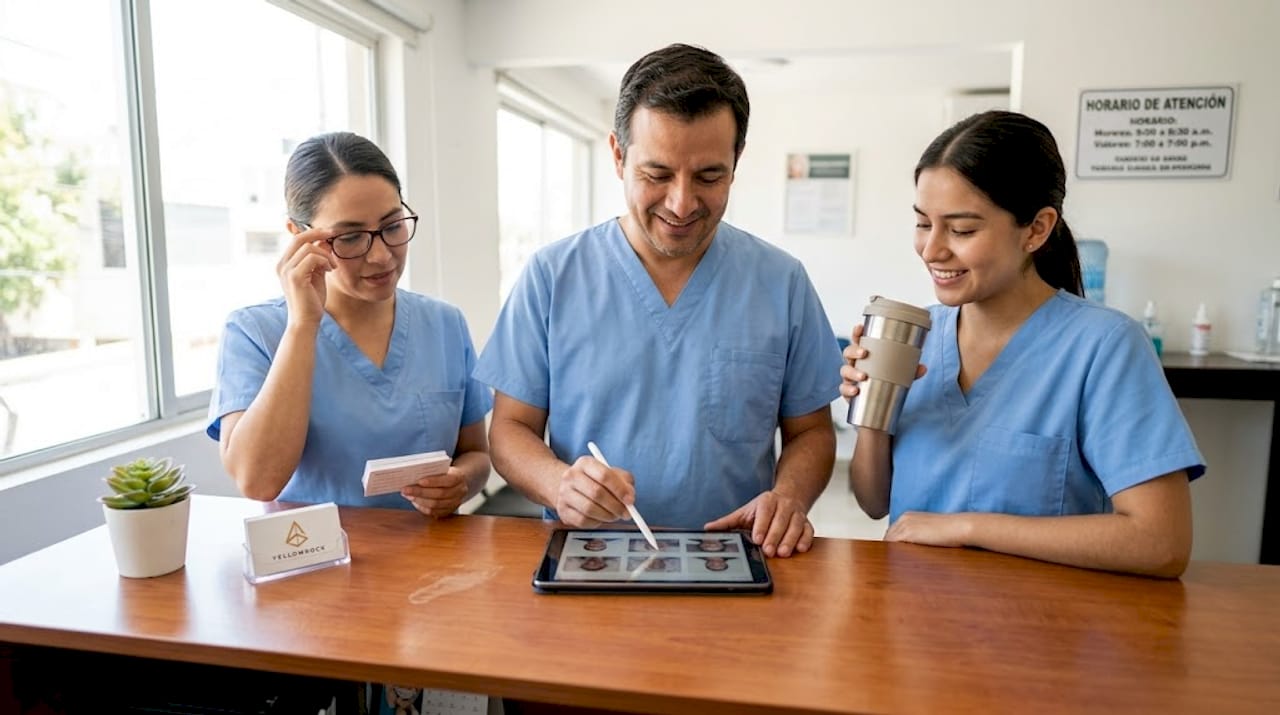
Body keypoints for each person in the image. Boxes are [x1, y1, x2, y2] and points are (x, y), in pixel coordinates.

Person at [474, 43, 843, 558]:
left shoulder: (781, 283)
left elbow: (812, 432)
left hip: (732, 562)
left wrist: (788, 497)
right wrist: (559, 484)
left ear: (736, 163)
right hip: (589, 560)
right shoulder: (553, 277)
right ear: (619, 156)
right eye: (658, 174)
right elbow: (511, 429)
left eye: (709, 176)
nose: (682, 202)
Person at [841, 110, 1204, 578]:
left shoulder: (1105, 347)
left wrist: (967, 528)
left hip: (1040, 630)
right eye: (922, 224)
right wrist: (871, 413)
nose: (932, 250)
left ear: (1036, 228)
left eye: (963, 229)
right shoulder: (918, 336)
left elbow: (1161, 544)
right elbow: (874, 503)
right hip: (909, 624)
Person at [207, 131, 492, 517]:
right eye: (351, 237)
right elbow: (258, 482)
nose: (380, 256)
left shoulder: (444, 324)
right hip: (313, 563)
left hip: (434, 560)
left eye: (393, 227)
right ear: (299, 235)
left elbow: (475, 454)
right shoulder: (254, 332)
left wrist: (460, 483)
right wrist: (303, 325)